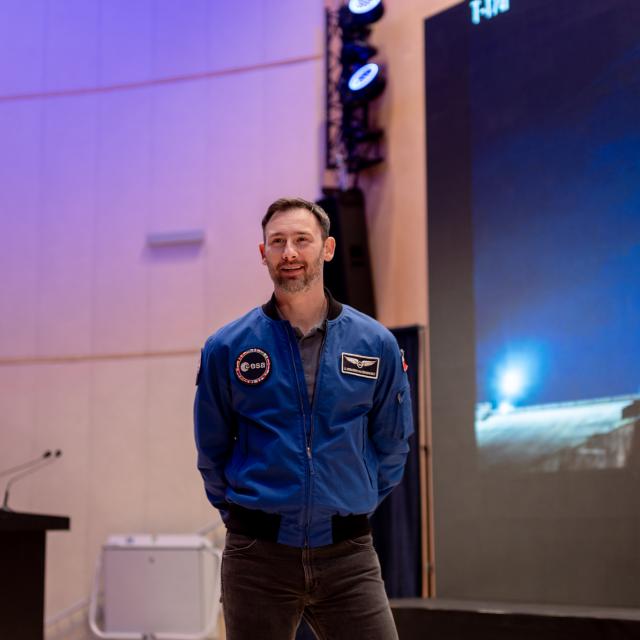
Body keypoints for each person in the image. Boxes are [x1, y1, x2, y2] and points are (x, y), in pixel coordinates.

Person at [194, 197, 413, 640]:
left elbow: (392, 445)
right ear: (263, 254)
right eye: (277, 242)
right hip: (257, 559)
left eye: (301, 240)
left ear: (327, 249)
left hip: (348, 557)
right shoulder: (227, 347)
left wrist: (352, 497)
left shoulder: (375, 344)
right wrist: (247, 517)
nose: (289, 253)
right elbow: (211, 450)